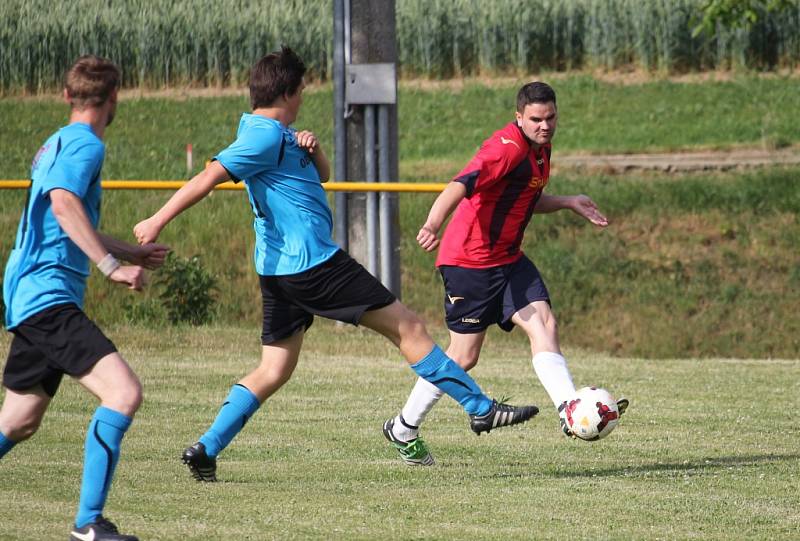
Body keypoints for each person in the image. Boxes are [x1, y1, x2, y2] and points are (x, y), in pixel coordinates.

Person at [133, 46, 537, 481]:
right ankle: (479, 409)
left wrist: (315, 148)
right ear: (287, 92)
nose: (305, 97)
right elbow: (207, 177)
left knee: (274, 369)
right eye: (302, 90)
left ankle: (206, 449)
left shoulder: (275, 134)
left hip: (278, 272)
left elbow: (320, 176)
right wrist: (156, 220)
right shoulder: (263, 136)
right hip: (314, 264)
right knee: (409, 328)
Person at [382, 81, 629, 466]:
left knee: (544, 321)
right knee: (463, 357)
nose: (544, 126)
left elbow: (523, 198)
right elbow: (458, 185)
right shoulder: (506, 149)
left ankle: (568, 409)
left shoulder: (541, 149)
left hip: (508, 258)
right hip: (470, 261)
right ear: (519, 117)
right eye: (535, 119)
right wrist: (432, 223)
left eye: (550, 118)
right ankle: (403, 426)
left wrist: (567, 202)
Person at [0, 55, 169, 541]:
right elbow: (63, 204)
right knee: (123, 393)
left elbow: (67, 221)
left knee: (20, 419)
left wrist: (128, 248)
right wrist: (112, 267)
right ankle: (88, 524)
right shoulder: (86, 146)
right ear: (113, 99)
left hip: (31, 291)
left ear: (67, 96)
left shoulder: (56, 141)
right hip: (48, 294)